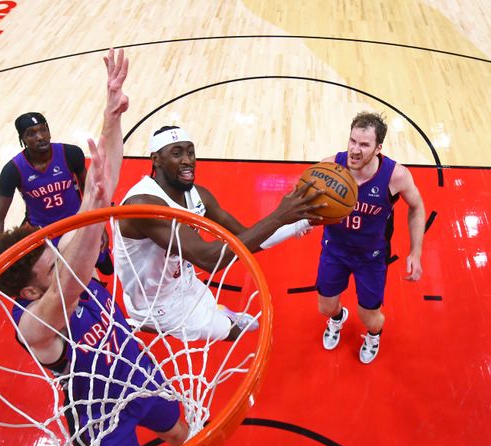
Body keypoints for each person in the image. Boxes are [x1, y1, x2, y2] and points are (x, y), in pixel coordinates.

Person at [0, 50, 222, 446]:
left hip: (136, 370)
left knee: (176, 425)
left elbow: (104, 179)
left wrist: (111, 116)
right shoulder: (35, 325)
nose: (61, 255)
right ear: (31, 287)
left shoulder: (56, 271)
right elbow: (73, 276)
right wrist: (93, 206)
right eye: (52, 259)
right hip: (97, 417)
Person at [114, 126, 323, 342]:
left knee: (214, 308)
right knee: (234, 333)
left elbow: (248, 237)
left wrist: (299, 222)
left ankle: (221, 313)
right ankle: (145, 324)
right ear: (156, 159)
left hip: (181, 282)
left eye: (190, 152)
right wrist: (279, 216)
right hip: (154, 305)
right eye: (177, 154)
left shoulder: (197, 196)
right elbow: (208, 259)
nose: (187, 160)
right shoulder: (144, 206)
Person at [315, 111, 425, 364]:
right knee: (325, 307)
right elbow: (309, 200)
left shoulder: (396, 176)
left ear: (378, 148)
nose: (355, 150)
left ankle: (373, 336)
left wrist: (415, 252)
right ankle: (336, 319)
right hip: (335, 250)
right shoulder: (330, 166)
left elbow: (417, 207)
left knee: (369, 316)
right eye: (352, 141)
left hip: (371, 257)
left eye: (364, 145)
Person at [0, 103, 114, 274]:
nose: (40, 136)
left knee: (106, 269)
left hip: (78, 221)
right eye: (31, 134)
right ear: (22, 139)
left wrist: (99, 226)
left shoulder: (70, 153)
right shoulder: (12, 170)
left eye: (43, 129)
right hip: (44, 233)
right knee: (62, 280)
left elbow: (90, 192)